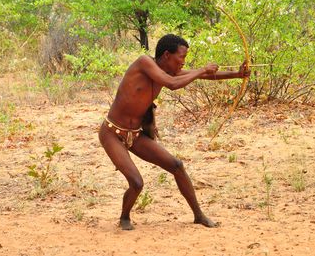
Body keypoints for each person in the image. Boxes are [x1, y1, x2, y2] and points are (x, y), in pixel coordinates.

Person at [98, 34, 251, 230]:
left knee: (177, 166)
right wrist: (202, 69)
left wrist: (237, 74)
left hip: (135, 135)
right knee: (136, 183)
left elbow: (202, 75)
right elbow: (173, 84)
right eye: (182, 57)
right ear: (167, 55)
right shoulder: (144, 63)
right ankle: (124, 217)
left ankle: (198, 215)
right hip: (112, 133)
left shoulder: (165, 70)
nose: (183, 62)